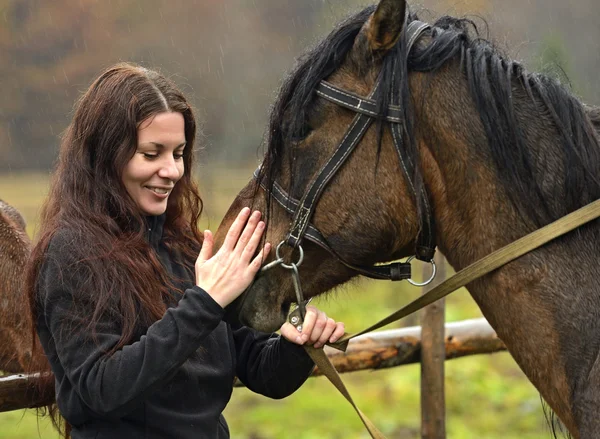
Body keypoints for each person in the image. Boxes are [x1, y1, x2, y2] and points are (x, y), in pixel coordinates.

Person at [25, 62, 345, 439]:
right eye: (151, 153)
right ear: (105, 154)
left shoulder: (186, 245)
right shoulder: (69, 253)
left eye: (178, 154)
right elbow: (102, 390)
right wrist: (205, 301)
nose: (172, 171)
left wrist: (295, 346)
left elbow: (260, 369)